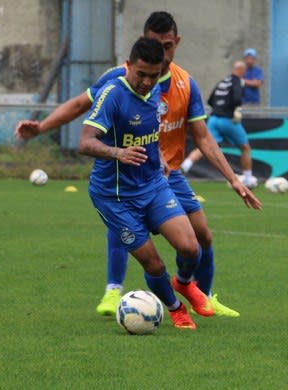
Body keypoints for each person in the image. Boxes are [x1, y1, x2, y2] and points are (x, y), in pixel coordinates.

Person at [15, 11, 261, 317]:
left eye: (167, 46)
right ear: (136, 55)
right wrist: (42, 128)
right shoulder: (117, 82)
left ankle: (200, 292)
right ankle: (116, 290)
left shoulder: (183, 83)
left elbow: (204, 139)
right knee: (136, 241)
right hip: (123, 179)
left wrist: (233, 178)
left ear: (175, 43)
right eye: (154, 45)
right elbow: (81, 106)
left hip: (161, 174)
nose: (161, 53)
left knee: (200, 238)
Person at [78, 37, 207, 329]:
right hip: (115, 197)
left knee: (190, 248)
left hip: (152, 185)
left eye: (154, 74)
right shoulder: (112, 94)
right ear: (129, 67)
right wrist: (117, 152)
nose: (147, 82)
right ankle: (175, 309)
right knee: (155, 264)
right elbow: (85, 142)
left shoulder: (154, 93)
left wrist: (158, 155)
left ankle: (184, 283)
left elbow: (147, 133)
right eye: (141, 74)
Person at [181, 61, 258, 188]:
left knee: (203, 146)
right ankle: (248, 179)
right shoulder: (238, 80)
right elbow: (237, 98)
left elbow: (210, 100)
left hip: (214, 119)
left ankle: (184, 167)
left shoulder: (223, 81)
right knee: (245, 148)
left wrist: (219, 108)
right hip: (228, 120)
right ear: (242, 70)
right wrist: (236, 109)